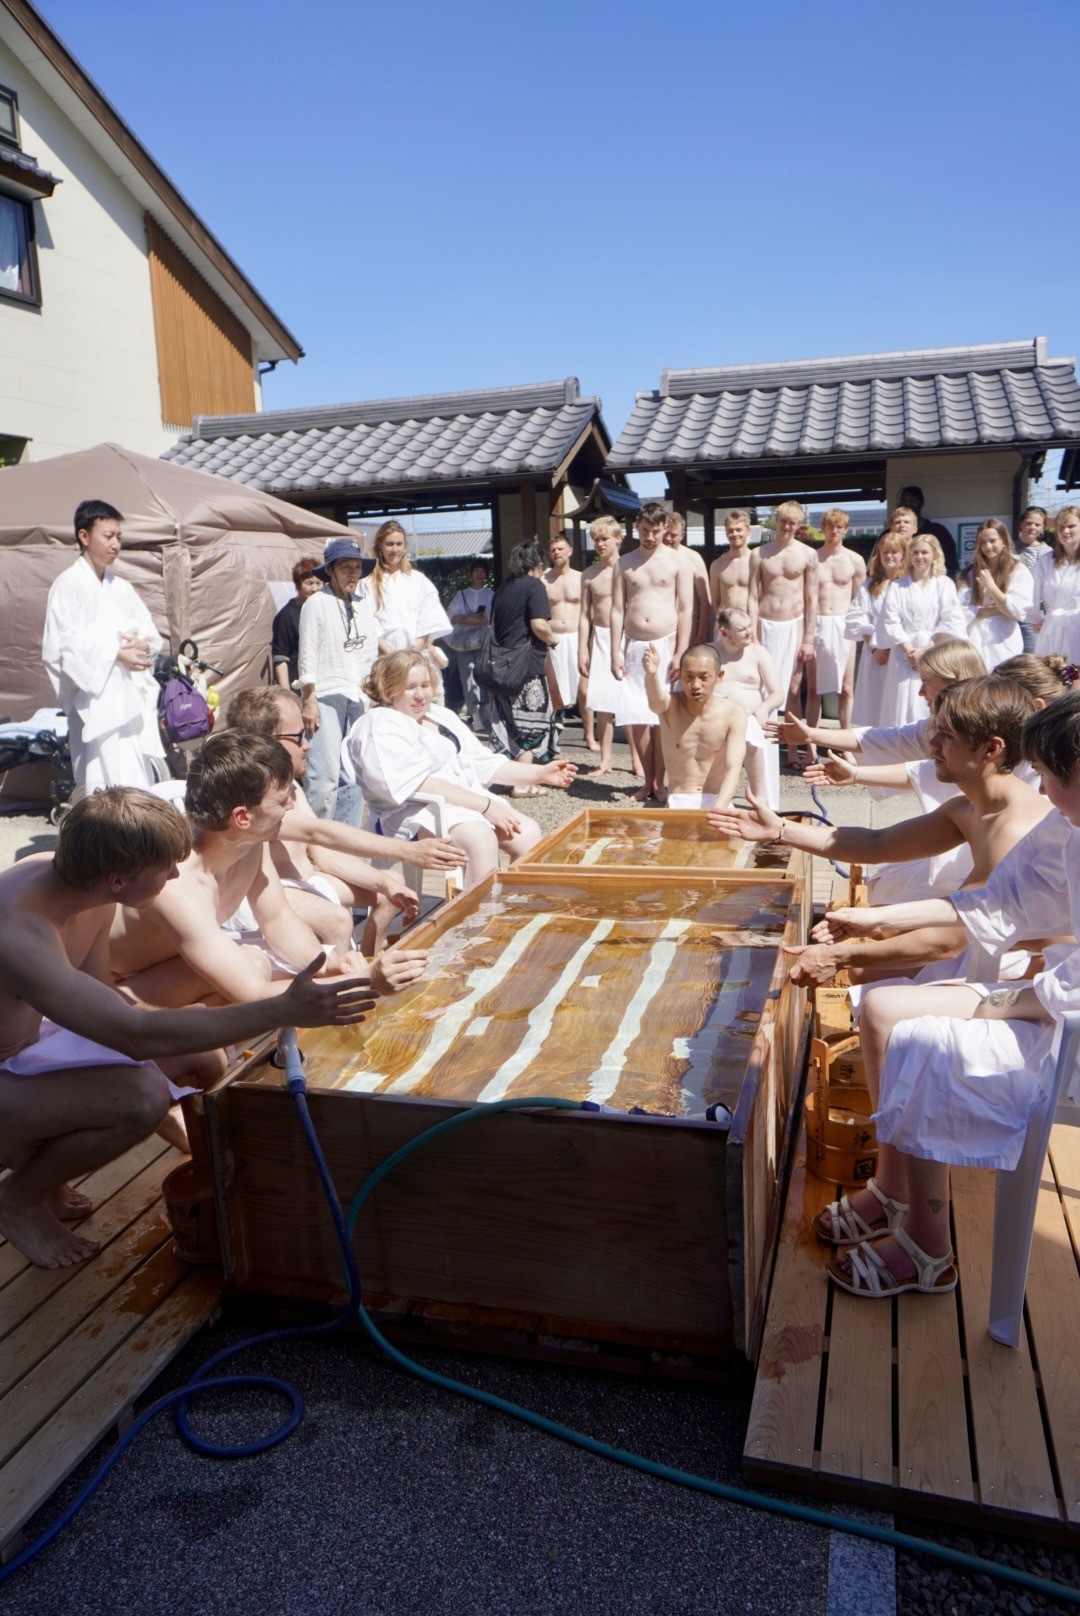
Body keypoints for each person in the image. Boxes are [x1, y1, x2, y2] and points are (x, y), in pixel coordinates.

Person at [0, 788, 376, 1268]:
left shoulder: (86, 883)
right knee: (141, 1098)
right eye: (165, 868)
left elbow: (102, 1005)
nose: (176, 875)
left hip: (26, 1047)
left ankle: (64, 1174)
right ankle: (17, 1198)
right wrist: (283, 1009)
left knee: (201, 1057)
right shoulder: (18, 930)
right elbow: (133, 1035)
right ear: (118, 879)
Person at [807, 694, 1080, 1300]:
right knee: (882, 1007)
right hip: (1047, 995)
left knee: (926, 1040)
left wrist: (990, 1001)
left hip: (1065, 1023)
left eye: (1052, 776)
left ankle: (929, 1248)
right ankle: (892, 1188)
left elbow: (1060, 993)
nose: (1045, 789)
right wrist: (872, 920)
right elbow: (993, 903)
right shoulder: (1068, 826)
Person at [110, 731, 427, 1014]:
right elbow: (253, 993)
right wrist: (365, 979)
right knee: (256, 968)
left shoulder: (246, 842)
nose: (291, 805)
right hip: (118, 988)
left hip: (169, 964)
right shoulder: (179, 886)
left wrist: (328, 964)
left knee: (276, 968)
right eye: (282, 799)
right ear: (242, 817)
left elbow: (277, 919)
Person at [777, 677, 1049, 988]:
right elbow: (876, 844)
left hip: (1043, 971)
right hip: (987, 943)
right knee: (868, 971)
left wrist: (838, 957)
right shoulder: (968, 808)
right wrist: (779, 829)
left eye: (946, 735)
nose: (932, 744)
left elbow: (948, 941)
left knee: (873, 990)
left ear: (991, 749)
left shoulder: (1011, 830)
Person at [224, 685, 466, 954]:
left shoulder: (290, 785)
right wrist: (409, 851)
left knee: (392, 888)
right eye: (299, 737)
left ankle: (370, 962)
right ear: (266, 742)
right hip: (258, 898)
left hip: (304, 883)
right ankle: (347, 976)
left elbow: (324, 854)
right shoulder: (252, 795)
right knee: (338, 921)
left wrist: (386, 884)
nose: (308, 744)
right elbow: (318, 832)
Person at [348, 651, 576, 888]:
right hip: (414, 810)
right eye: (409, 687)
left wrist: (540, 774)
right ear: (389, 689)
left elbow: (481, 763)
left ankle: (514, 901)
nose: (420, 695)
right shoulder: (380, 724)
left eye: (425, 685)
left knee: (528, 833)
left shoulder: (439, 715)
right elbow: (417, 784)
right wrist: (486, 806)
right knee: (479, 838)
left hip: (463, 804)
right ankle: (478, 909)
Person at [42, 499, 166, 794]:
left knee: (134, 777)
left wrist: (142, 646)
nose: (116, 544)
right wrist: (115, 653)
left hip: (130, 700)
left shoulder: (122, 588)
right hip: (94, 700)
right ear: (84, 536)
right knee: (98, 777)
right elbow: (63, 647)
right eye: (108, 536)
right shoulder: (68, 584)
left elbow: (152, 639)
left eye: (119, 537)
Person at [610, 501, 693, 803]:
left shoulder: (678, 561)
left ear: (665, 529)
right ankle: (647, 781)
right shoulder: (624, 563)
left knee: (662, 716)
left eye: (656, 531)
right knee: (637, 716)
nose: (650, 536)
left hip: (665, 643)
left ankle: (660, 782)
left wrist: (680, 651)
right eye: (645, 530)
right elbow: (617, 609)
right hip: (634, 645)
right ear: (637, 527)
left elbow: (685, 608)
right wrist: (614, 652)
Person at [298, 536, 380, 826]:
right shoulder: (316, 604)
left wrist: (372, 694)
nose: (353, 573)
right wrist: (309, 700)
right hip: (324, 696)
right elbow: (307, 654)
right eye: (346, 567)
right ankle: (315, 840)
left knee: (355, 776)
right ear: (330, 570)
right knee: (324, 778)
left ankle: (346, 840)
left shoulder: (363, 604)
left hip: (357, 696)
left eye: (357, 567)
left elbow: (369, 653)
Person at [749, 500, 818, 768]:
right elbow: (752, 596)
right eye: (783, 521)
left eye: (792, 523)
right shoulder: (759, 554)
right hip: (764, 624)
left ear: (798, 525)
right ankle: (760, 746)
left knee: (792, 689)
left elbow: (811, 598)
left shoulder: (808, 555)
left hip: (793, 625)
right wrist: (752, 633)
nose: (786, 527)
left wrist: (809, 638)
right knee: (762, 687)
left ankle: (791, 749)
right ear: (775, 521)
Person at [876, 534, 966, 726]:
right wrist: (910, 651)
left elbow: (951, 620)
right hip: (903, 655)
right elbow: (890, 621)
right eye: (915, 553)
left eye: (924, 552)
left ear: (934, 555)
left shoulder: (944, 584)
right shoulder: (898, 586)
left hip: (934, 654)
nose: (919, 557)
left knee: (928, 702)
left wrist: (925, 651)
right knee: (900, 706)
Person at [482, 541, 561, 761]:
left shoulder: (503, 587)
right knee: (530, 730)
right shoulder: (534, 586)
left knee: (508, 727)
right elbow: (539, 625)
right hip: (527, 667)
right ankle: (525, 777)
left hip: (500, 668)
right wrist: (554, 640)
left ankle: (512, 775)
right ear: (537, 563)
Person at [643, 643, 746, 810]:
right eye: (689, 677)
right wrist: (651, 674)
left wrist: (719, 808)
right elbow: (655, 701)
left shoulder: (734, 713)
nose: (696, 685)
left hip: (718, 798)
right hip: (679, 798)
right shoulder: (670, 706)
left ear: (719, 676)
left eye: (704, 677)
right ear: (679, 675)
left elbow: (733, 767)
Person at [713, 607, 783, 808]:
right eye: (742, 629)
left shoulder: (758, 653)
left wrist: (764, 708)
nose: (750, 632)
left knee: (750, 730)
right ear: (724, 633)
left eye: (749, 626)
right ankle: (717, 795)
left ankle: (759, 795)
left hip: (750, 716)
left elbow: (778, 693)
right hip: (717, 717)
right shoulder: (710, 652)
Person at [807, 508, 865, 736]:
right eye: (830, 526)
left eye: (839, 527)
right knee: (814, 689)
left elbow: (861, 601)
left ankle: (846, 742)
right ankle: (811, 744)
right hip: (817, 622)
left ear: (846, 530)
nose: (834, 531)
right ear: (823, 528)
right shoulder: (812, 558)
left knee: (847, 688)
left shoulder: (855, 560)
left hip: (844, 624)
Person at [367, 520, 452, 667]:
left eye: (399, 544)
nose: (395, 549)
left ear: (404, 546)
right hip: (383, 661)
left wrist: (410, 657)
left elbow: (428, 621)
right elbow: (369, 625)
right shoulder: (367, 582)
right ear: (380, 544)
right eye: (390, 544)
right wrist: (393, 658)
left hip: (416, 660)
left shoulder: (418, 580)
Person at [845, 531, 908, 727]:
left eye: (894, 552)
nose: (889, 556)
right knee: (874, 706)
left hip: (901, 653)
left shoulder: (908, 584)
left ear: (903, 554)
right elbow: (856, 618)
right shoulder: (870, 584)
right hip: (875, 655)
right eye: (884, 552)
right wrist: (875, 648)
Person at [578, 516, 623, 775]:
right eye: (596, 539)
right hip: (601, 637)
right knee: (603, 701)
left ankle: (639, 761)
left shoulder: (629, 568)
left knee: (630, 700)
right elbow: (584, 616)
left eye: (604, 538)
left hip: (627, 636)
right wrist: (582, 649)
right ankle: (605, 760)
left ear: (617, 539)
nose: (600, 544)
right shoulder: (589, 575)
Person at [958, 519, 1033, 670]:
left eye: (992, 541)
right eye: (983, 542)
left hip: (1003, 639)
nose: (988, 546)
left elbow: (1016, 611)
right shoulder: (969, 573)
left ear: (1004, 540)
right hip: (975, 637)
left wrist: (992, 587)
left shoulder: (1018, 570)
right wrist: (997, 609)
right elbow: (960, 610)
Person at [543, 533, 585, 738]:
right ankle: (552, 731)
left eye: (560, 549)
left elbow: (589, 613)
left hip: (577, 636)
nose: (556, 553)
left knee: (583, 689)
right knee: (553, 686)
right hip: (553, 638)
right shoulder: (543, 581)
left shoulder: (582, 578)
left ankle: (589, 734)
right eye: (553, 550)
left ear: (570, 551)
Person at [445, 562, 493, 728]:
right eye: (476, 571)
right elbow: (450, 616)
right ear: (471, 574)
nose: (479, 574)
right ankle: (474, 714)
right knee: (467, 676)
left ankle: (487, 713)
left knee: (485, 675)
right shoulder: (461, 594)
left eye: (482, 571)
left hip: (484, 642)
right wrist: (471, 619)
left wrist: (467, 619)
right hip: (463, 643)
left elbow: (491, 618)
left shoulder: (491, 594)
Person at [1032, 505, 1080, 665]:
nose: (1066, 531)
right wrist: (1034, 617)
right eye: (1061, 527)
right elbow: (1032, 592)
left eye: (1071, 526)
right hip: (1053, 628)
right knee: (1052, 674)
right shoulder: (1046, 561)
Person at [271, 557, 323, 691]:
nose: (315, 588)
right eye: (309, 583)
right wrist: (286, 693)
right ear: (298, 584)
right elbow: (280, 657)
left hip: (324, 684)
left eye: (318, 583)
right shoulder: (286, 615)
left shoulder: (326, 610)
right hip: (299, 685)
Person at [664, 511, 712, 646]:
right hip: (662, 629)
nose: (668, 538)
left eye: (673, 535)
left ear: (682, 535)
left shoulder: (693, 558)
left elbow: (705, 600)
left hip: (688, 628)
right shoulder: (653, 558)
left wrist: (701, 635)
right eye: (665, 534)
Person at [897, 484, 959, 578]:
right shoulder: (890, 534)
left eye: (912, 501)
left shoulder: (939, 531)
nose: (908, 505)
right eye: (904, 501)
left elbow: (951, 564)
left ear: (921, 503)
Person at [1014, 506, 1052, 652]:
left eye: (1037, 524)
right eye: (1029, 523)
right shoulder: (1008, 549)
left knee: (1032, 655)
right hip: (1010, 610)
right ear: (1021, 524)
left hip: (1035, 613)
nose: (1032, 527)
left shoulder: (1048, 553)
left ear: (1043, 528)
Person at [708, 509, 755, 627]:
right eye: (730, 530)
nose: (734, 534)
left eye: (738, 530)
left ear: (748, 531)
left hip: (749, 624)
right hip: (724, 625)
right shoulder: (717, 565)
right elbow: (715, 600)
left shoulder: (756, 562)